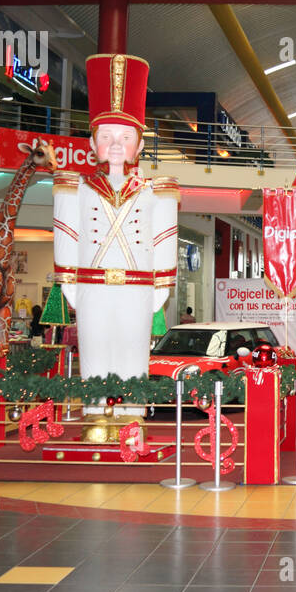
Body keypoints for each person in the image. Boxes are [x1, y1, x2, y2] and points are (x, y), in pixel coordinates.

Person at [52, 54, 179, 393]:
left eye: (125, 136)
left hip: (138, 288)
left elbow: (165, 237)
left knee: (133, 355)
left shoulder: (157, 191)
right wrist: (68, 283)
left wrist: (162, 286)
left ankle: (129, 413)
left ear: (139, 144)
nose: (117, 145)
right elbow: (66, 233)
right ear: (93, 144)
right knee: (93, 353)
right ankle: (96, 416)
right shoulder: (74, 187)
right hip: (91, 286)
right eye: (106, 136)